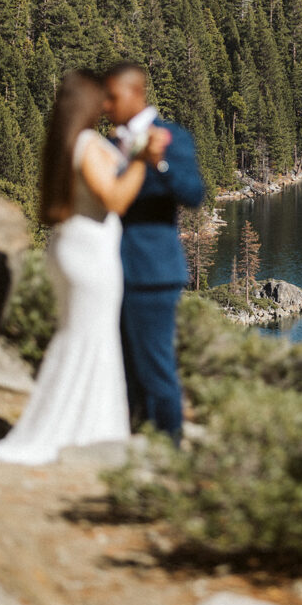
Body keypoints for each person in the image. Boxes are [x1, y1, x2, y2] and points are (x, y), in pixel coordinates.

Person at [0, 69, 163, 464]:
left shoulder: (63, 143)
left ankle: (77, 426)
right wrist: (143, 160)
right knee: (92, 340)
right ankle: (86, 432)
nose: (108, 106)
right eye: (102, 99)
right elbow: (114, 199)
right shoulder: (88, 143)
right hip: (91, 256)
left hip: (70, 247)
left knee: (77, 337)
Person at [104, 62, 205, 443]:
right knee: (124, 371)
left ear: (135, 94)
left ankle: (170, 452)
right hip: (109, 272)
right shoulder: (110, 143)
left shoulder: (171, 137)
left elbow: (194, 194)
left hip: (152, 273)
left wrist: (157, 162)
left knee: (158, 370)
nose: (107, 106)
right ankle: (134, 447)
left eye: (112, 98)